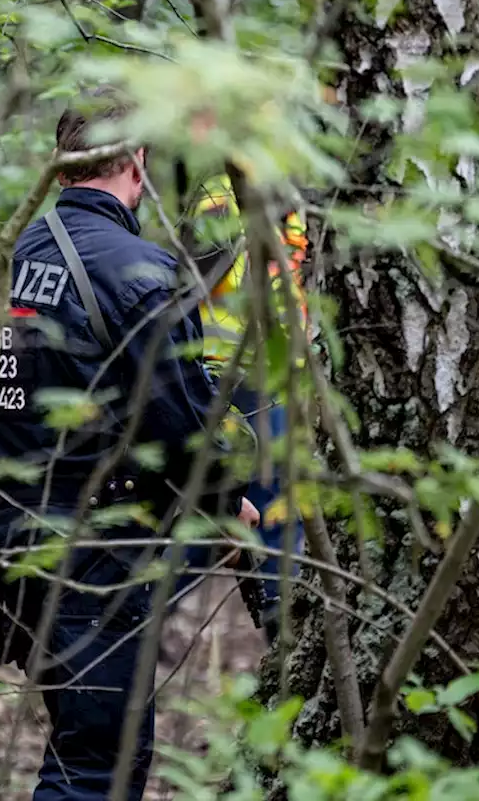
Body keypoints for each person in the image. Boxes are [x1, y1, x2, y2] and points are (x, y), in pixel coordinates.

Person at [0, 87, 259, 801]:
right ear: (137, 162)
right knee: (97, 766)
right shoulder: (140, 274)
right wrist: (226, 502)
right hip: (95, 557)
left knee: (82, 745)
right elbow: (178, 427)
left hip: (14, 539)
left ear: (62, 166)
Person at [187, 170, 309, 645]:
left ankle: (282, 620)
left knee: (271, 507)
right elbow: (202, 272)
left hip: (273, 373)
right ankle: (281, 620)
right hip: (240, 373)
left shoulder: (235, 192)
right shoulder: (228, 194)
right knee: (267, 507)